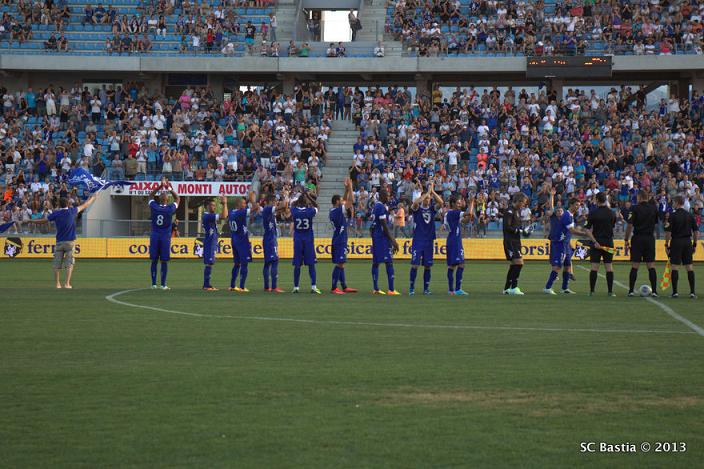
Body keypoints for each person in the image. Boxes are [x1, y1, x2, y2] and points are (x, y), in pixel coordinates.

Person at [543, 193, 599, 295]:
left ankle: (564, 288)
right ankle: (548, 287)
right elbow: (572, 231)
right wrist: (586, 234)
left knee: (568, 266)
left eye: (579, 205)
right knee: (558, 266)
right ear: (571, 205)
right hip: (559, 244)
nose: (578, 207)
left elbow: (568, 232)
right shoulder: (567, 215)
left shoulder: (571, 216)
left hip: (566, 244)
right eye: (576, 205)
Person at [47, 193, 99, 289]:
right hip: (70, 242)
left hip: (59, 242)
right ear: (68, 204)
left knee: (56, 264)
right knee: (69, 263)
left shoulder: (56, 213)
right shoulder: (72, 211)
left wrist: (30, 221)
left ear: (59, 204)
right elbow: (85, 205)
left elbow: (46, 219)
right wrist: (94, 197)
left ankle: (57, 284)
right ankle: (67, 284)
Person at [409, 181, 443, 295]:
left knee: (428, 266)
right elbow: (414, 203)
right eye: (426, 198)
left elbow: (441, 202)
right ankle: (412, 288)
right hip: (418, 240)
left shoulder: (432, 209)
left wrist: (432, 191)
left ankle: (426, 289)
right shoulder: (417, 209)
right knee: (415, 264)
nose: (427, 200)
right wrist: (426, 192)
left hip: (429, 240)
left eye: (429, 198)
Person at [624, 191, 659, 297]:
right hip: (649, 238)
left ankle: (630, 291)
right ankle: (654, 292)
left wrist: (626, 239)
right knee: (651, 265)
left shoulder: (634, 208)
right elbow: (656, 224)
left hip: (638, 238)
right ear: (647, 198)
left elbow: (630, 225)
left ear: (639, 197)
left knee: (635, 265)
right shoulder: (653, 208)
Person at [148, 177, 180, 290]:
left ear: (159, 199)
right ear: (167, 199)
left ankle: (153, 284)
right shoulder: (170, 209)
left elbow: (151, 196)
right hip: (165, 237)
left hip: (155, 236)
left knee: (154, 260)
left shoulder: (154, 207)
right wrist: (169, 188)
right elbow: (177, 199)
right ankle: (163, 284)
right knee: (164, 261)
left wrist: (160, 186)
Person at [664, 195, 698, 298]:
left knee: (675, 266)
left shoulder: (672, 216)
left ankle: (675, 292)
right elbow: (696, 232)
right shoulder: (689, 215)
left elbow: (668, 232)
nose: (672, 204)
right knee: (689, 267)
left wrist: (666, 244)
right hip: (687, 241)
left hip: (676, 242)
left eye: (674, 202)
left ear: (678, 202)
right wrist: (695, 244)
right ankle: (692, 292)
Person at [370, 185, 400, 295]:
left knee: (376, 262)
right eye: (387, 195)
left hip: (377, 237)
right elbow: (385, 226)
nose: (388, 197)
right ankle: (391, 289)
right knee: (389, 262)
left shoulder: (376, 206)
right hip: (382, 238)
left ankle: (376, 288)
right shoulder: (381, 207)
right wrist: (393, 240)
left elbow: (372, 225)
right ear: (382, 196)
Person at [329, 177, 358, 294]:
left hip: (339, 239)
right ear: (337, 202)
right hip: (339, 240)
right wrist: (350, 187)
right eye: (341, 200)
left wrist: (346, 189)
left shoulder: (334, 210)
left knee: (342, 264)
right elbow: (351, 201)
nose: (343, 201)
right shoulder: (337, 211)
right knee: (340, 263)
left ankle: (344, 286)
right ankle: (334, 288)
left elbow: (346, 199)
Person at [585, 192, 617, 296]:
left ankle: (592, 291)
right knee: (609, 267)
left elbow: (587, 230)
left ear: (597, 200)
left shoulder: (593, 213)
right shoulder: (612, 213)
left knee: (594, 267)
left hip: (596, 243)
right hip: (608, 242)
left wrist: (594, 241)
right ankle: (610, 291)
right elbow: (612, 226)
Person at [291, 190, 320, 294]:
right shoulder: (310, 211)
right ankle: (313, 286)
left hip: (298, 238)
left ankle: (296, 287)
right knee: (311, 264)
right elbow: (317, 206)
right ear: (306, 203)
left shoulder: (294, 211)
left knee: (297, 265)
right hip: (308, 238)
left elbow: (292, 205)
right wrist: (308, 196)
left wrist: (300, 198)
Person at [227, 192, 257, 293]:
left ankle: (232, 285)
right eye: (243, 203)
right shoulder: (241, 212)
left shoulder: (231, 212)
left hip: (234, 239)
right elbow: (255, 208)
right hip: (242, 241)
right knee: (244, 264)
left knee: (236, 264)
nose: (245, 205)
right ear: (238, 204)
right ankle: (242, 287)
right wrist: (252, 200)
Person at [445, 194, 474, 295]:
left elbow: (466, 220)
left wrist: (469, 214)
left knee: (454, 265)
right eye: (458, 203)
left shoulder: (454, 214)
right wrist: (471, 202)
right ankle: (456, 289)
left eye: (460, 203)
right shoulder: (453, 213)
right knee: (459, 264)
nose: (459, 205)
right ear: (452, 204)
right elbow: (468, 213)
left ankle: (452, 290)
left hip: (455, 240)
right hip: (454, 241)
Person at [503, 193, 530, 295]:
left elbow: (517, 227)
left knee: (515, 264)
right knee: (519, 263)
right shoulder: (509, 211)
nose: (524, 205)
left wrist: (524, 231)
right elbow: (507, 227)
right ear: (518, 201)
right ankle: (514, 287)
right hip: (510, 241)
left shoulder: (517, 211)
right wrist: (520, 231)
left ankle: (506, 289)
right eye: (523, 203)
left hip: (516, 241)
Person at [260, 192, 286, 293]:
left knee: (267, 263)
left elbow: (283, 209)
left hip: (268, 238)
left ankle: (267, 287)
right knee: (274, 261)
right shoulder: (268, 208)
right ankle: (274, 287)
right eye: (275, 201)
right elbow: (283, 206)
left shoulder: (269, 211)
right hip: (270, 239)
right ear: (271, 201)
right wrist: (284, 196)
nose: (276, 203)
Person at [201, 196, 228, 291]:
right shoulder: (207, 216)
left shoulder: (209, 216)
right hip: (209, 242)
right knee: (209, 263)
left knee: (210, 263)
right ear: (207, 207)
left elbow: (223, 216)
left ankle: (207, 284)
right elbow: (224, 216)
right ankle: (206, 285)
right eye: (212, 205)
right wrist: (224, 203)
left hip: (211, 241)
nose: (214, 207)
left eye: (214, 205)